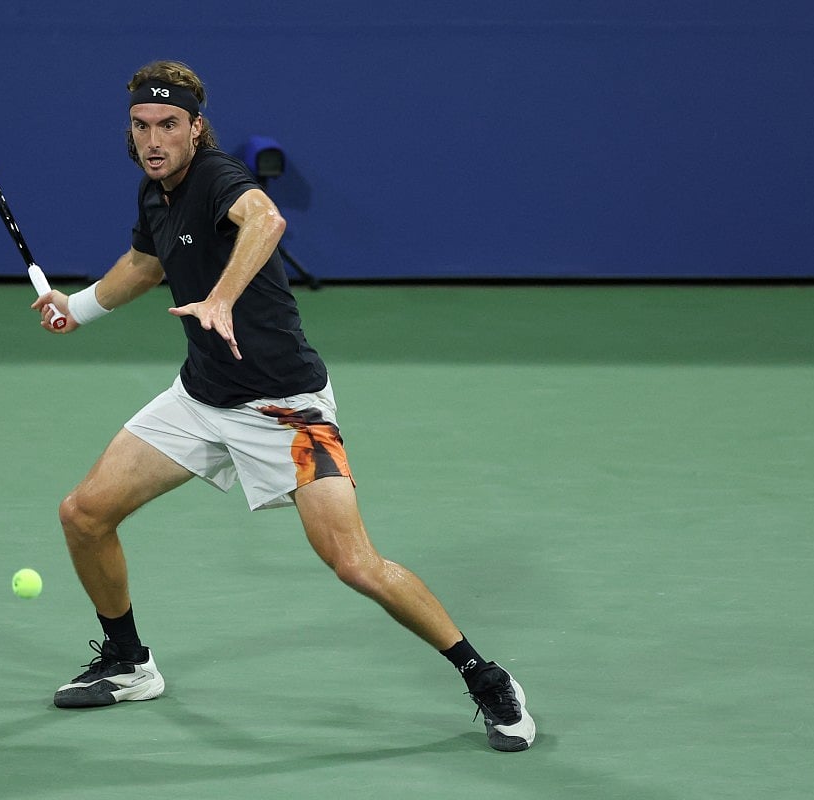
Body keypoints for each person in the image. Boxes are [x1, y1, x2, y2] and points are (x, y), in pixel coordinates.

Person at [29, 60, 536, 752]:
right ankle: (129, 662)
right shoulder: (157, 192)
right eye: (142, 126)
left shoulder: (215, 178)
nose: (154, 139)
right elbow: (147, 263)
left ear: (196, 128)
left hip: (284, 409)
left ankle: (484, 676)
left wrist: (221, 299)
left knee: (355, 563)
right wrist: (77, 309)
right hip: (202, 396)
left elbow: (265, 220)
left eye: (169, 125)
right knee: (84, 514)